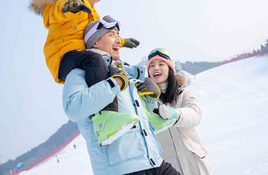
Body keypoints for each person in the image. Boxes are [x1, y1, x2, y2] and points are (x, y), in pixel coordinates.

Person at [29, 0, 140, 145]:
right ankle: (103, 119)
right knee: (96, 59)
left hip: (81, 56)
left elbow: (102, 33)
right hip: (63, 56)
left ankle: (117, 115)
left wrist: (122, 41)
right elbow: (53, 12)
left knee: (110, 66)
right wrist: (68, 7)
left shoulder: (91, 11)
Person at [62, 16, 180, 175]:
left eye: (118, 35)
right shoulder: (80, 74)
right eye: (112, 35)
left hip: (154, 162)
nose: (118, 40)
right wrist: (114, 84)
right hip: (121, 170)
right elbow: (73, 109)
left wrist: (150, 99)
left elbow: (137, 121)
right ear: (95, 42)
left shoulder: (125, 73)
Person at [147, 48, 213, 175]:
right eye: (152, 66)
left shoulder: (184, 94)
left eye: (161, 64)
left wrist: (175, 114)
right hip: (169, 168)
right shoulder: (147, 102)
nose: (156, 68)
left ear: (170, 69)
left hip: (195, 164)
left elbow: (195, 114)